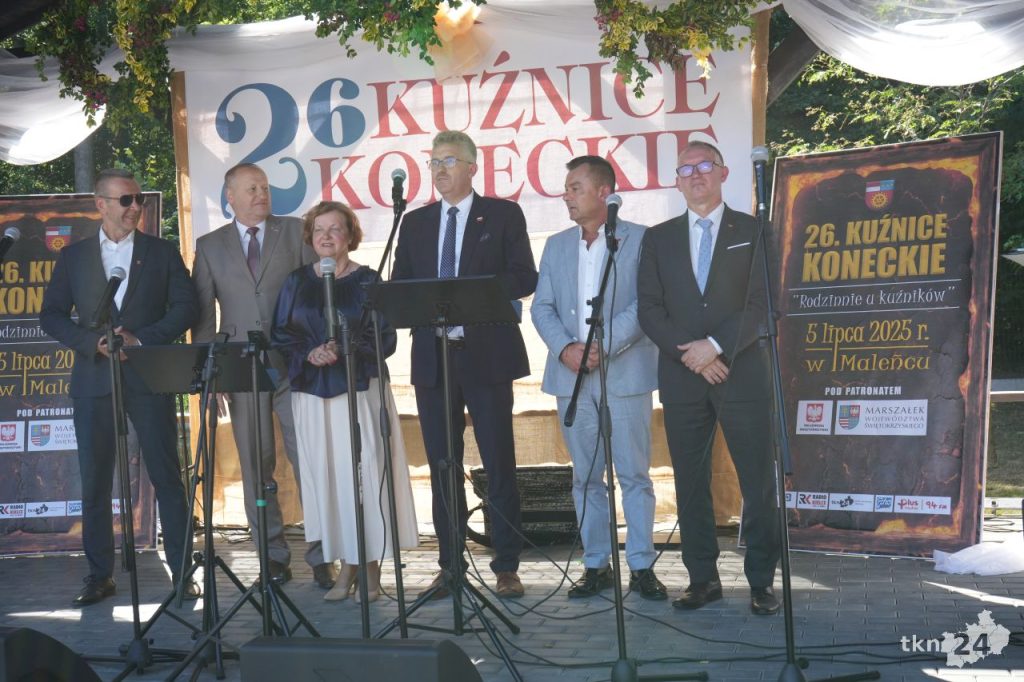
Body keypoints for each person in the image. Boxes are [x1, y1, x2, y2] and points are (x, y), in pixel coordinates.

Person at [40, 168, 200, 606]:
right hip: (94, 380)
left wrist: (142, 340)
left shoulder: (161, 252)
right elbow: (51, 315)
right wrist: (90, 342)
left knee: (167, 476)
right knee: (94, 482)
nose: (135, 207)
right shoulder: (74, 257)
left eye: (138, 200)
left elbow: (186, 307)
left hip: (149, 378)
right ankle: (99, 576)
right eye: (125, 200)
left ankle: (183, 572)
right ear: (101, 205)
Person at [392, 130, 537, 599]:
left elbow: (524, 277)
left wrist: (473, 294)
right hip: (433, 360)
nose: (439, 170)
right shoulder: (414, 223)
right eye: (433, 162)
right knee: (442, 466)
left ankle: (507, 566)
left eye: (449, 161)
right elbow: (400, 287)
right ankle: (451, 566)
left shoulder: (502, 214)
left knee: (498, 461)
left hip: (487, 355)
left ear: (473, 167)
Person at [637, 141, 781, 615]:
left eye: (704, 166)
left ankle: (761, 581)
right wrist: (694, 356)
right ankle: (703, 580)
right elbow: (650, 310)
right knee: (690, 481)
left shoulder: (754, 230)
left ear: (722, 173)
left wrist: (715, 346)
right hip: (683, 378)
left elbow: (763, 304)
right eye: (686, 169)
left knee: (756, 481)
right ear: (676, 181)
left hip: (741, 373)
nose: (695, 174)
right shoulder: (657, 239)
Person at [192, 163, 334, 589]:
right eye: (252, 188)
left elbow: (319, 293)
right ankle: (272, 558)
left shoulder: (294, 232)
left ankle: (323, 555)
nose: (261, 194)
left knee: (309, 461)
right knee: (257, 467)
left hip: (297, 364)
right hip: (240, 369)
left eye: (265, 187)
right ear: (230, 197)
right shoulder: (209, 246)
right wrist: (211, 373)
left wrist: (323, 346)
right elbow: (203, 316)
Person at [531, 156, 665, 600]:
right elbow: (541, 307)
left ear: (603, 192)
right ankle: (596, 565)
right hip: (570, 376)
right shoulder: (556, 246)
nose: (566, 196)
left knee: (634, 475)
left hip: (624, 372)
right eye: (566, 188)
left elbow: (646, 303)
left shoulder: (640, 240)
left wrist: (602, 346)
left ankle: (642, 565)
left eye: (575, 187)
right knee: (585, 476)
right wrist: (566, 348)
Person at [272, 201, 418, 603]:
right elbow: (280, 334)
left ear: (350, 236)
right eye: (319, 229)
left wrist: (344, 347)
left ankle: (370, 568)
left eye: (335, 229)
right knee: (329, 479)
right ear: (310, 237)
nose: (326, 236)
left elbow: (385, 337)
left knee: (363, 474)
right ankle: (346, 563)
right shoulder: (296, 282)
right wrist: (310, 352)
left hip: (359, 390)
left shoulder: (368, 281)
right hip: (312, 394)